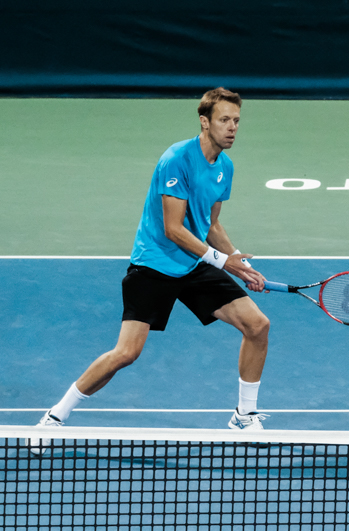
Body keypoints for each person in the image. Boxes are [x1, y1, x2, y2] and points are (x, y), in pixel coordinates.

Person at [29, 88, 271, 453]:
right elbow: (173, 229)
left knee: (257, 325)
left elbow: (208, 225)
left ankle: (244, 415)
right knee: (126, 353)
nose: (232, 127)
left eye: (236, 120)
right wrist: (224, 263)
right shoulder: (176, 160)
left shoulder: (225, 167)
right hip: (154, 264)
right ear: (204, 122)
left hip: (193, 263)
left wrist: (241, 262)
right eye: (224, 120)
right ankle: (54, 418)